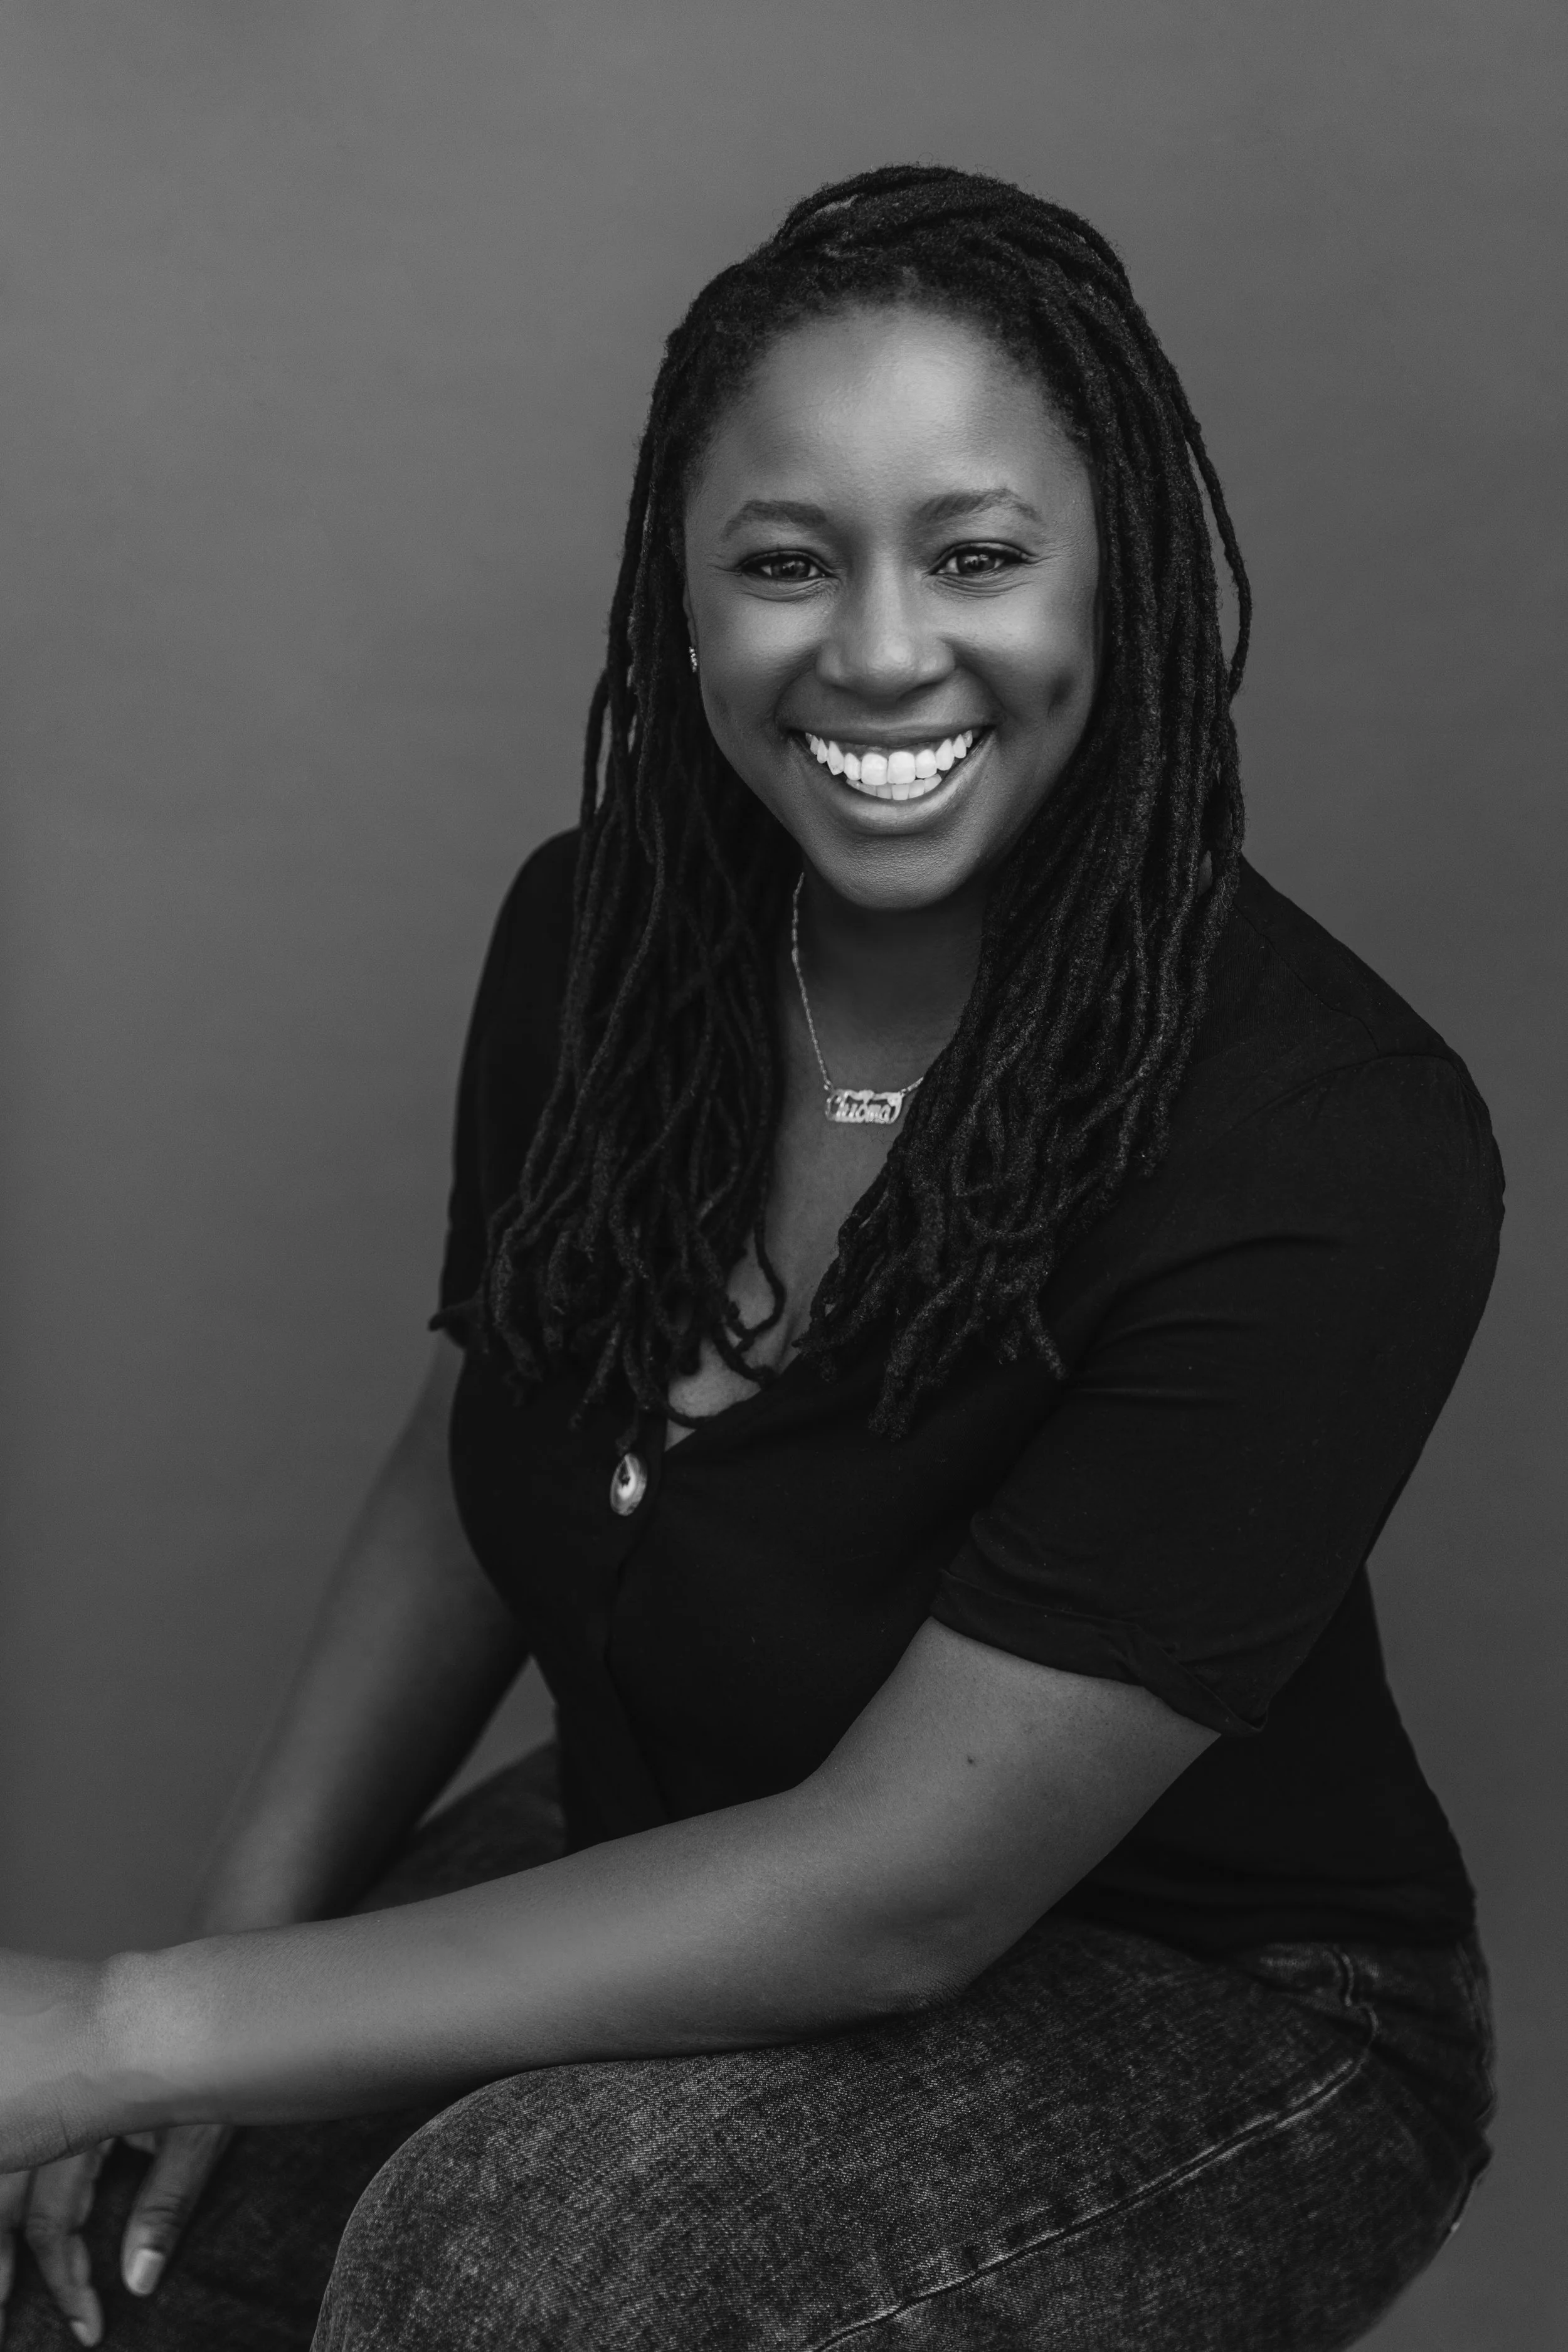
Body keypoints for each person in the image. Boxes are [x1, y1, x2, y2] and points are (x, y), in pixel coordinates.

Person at [0, 165, 1500, 2352]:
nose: (881, 649)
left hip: (1216, 2008)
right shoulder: (603, 942)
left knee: (520, 2265)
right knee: (114, 2268)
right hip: (688, 1821)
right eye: (787, 563)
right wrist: (218, 2002)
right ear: (682, 607)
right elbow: (476, 1446)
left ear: (1128, 586)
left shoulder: (1327, 1133)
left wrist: (130, 2019)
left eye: (979, 554)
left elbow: (904, 1888)